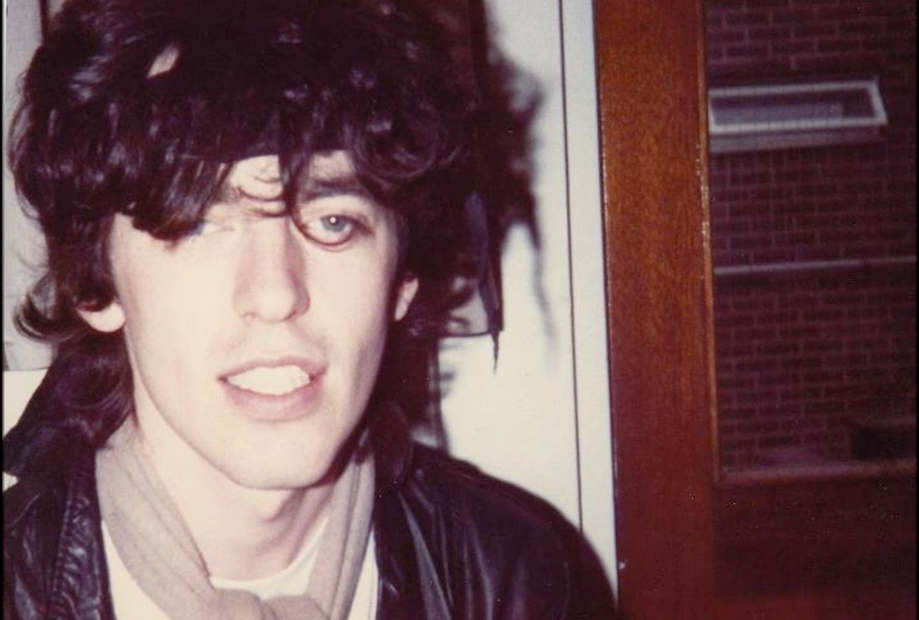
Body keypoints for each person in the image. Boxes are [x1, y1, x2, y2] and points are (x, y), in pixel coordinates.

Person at [3, 0, 615, 618]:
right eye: (197, 224)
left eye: (333, 222)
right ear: (95, 283)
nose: (276, 293)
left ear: (402, 279)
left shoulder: (520, 576)